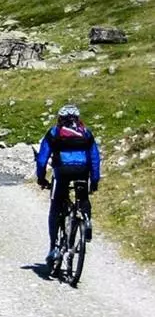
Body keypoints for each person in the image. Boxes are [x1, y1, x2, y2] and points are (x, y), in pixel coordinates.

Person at [35, 104, 101, 265]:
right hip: (82, 171)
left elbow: (42, 158)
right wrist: (95, 180)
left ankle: (53, 248)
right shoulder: (86, 133)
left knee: (56, 206)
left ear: (60, 118)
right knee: (83, 198)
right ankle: (86, 220)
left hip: (62, 172)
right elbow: (95, 158)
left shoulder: (54, 133)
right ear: (77, 119)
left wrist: (41, 178)